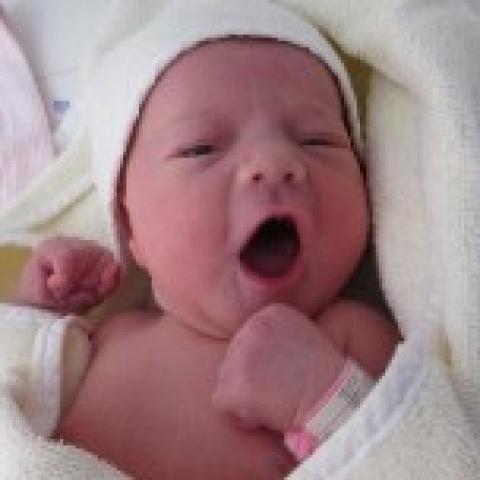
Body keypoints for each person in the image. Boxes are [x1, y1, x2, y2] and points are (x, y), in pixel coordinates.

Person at [12, 2, 401, 477]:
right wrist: (33, 321)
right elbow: (17, 407)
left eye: (316, 140)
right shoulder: (108, 338)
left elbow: (425, 457)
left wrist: (327, 401)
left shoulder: (351, 341)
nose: (274, 162)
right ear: (130, 226)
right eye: (201, 148)